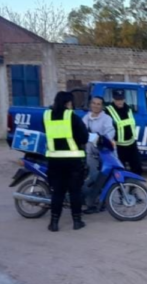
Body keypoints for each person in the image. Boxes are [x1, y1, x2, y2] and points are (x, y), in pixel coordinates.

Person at [44, 91, 89, 232]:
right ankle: (77, 221)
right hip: (72, 161)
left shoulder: (46, 116)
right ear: (68, 103)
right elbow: (84, 138)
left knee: (57, 192)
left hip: (54, 161)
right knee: (75, 191)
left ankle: (54, 223)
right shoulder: (72, 117)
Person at [81, 96, 116, 214]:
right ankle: (90, 203)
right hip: (90, 152)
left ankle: (100, 202)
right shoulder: (86, 118)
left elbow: (110, 132)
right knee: (92, 176)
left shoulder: (106, 118)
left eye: (98, 104)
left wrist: (102, 139)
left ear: (102, 106)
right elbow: (81, 132)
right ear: (91, 104)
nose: (96, 106)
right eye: (94, 103)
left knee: (104, 177)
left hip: (104, 152)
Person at [106, 89, 143, 175]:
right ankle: (121, 187)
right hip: (119, 146)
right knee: (120, 170)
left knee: (137, 167)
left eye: (121, 99)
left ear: (124, 99)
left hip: (131, 144)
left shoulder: (128, 108)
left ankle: (133, 187)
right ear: (113, 99)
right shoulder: (108, 111)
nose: (119, 102)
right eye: (117, 99)